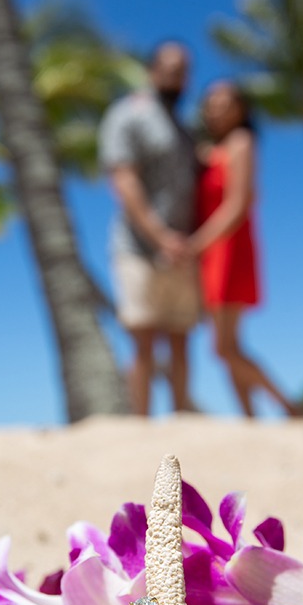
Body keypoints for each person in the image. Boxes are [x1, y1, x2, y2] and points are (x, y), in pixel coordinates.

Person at [187, 80, 301, 418]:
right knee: (226, 347)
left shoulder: (241, 142)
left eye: (226, 103)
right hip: (211, 250)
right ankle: (249, 417)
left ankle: (290, 407)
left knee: (224, 346)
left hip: (229, 247)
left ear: (242, 110)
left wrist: (197, 244)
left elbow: (239, 203)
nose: (218, 109)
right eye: (212, 102)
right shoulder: (207, 149)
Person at [99, 42, 199, 415]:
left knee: (180, 340)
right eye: (171, 68)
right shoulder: (127, 115)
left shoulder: (185, 127)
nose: (178, 76)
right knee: (143, 341)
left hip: (183, 249)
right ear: (152, 70)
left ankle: (181, 424)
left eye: (184, 69)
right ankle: (140, 429)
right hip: (137, 247)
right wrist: (160, 236)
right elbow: (124, 182)